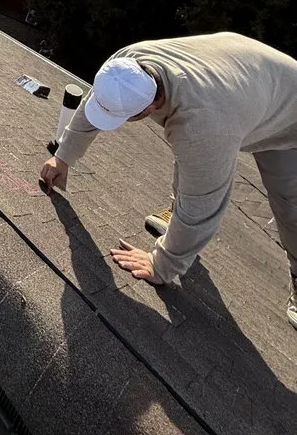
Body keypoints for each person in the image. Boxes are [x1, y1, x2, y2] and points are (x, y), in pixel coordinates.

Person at [40, 32, 297, 329]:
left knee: (290, 204)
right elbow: (95, 102)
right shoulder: (127, 64)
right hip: (246, 79)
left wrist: (162, 265)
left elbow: (204, 206)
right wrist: (63, 156)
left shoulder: (204, 123)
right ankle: (175, 217)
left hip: (289, 115)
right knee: (191, 152)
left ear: (154, 104)